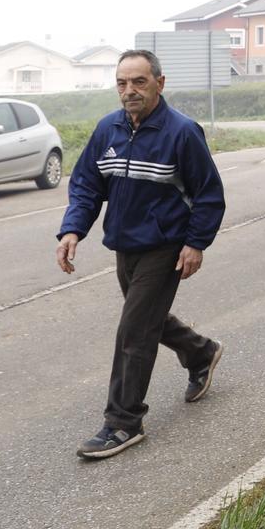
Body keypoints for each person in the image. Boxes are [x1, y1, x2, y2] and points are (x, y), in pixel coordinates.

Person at [54, 49, 227, 459]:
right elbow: (86, 186)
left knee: (134, 331)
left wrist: (196, 243)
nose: (129, 90)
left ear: (159, 84)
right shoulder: (107, 130)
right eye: (122, 83)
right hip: (125, 244)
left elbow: (208, 194)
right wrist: (72, 229)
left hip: (165, 246)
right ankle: (201, 352)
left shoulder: (182, 132)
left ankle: (123, 422)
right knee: (146, 318)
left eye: (139, 82)